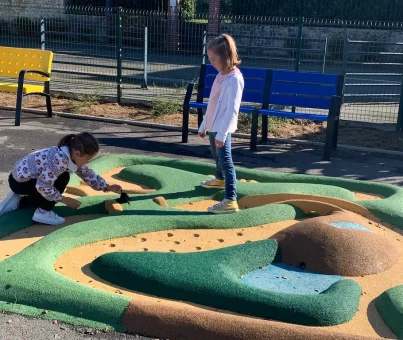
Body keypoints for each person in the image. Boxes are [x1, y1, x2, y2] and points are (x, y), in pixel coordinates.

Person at [0, 132, 122, 225]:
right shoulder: (59, 161)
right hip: (20, 183)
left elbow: (87, 174)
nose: (87, 162)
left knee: (57, 182)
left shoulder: (68, 155)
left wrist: (106, 186)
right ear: (77, 153)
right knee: (62, 179)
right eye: (87, 159)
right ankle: (43, 213)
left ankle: (18, 202)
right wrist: (64, 199)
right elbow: (43, 186)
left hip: (23, 179)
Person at [198, 34, 244, 214]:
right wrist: (204, 125)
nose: (211, 63)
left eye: (214, 59)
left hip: (222, 128)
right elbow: (213, 103)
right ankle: (219, 178)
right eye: (209, 59)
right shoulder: (221, 75)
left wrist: (223, 134)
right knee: (216, 157)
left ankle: (231, 200)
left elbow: (232, 110)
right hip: (214, 126)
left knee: (226, 161)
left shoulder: (234, 79)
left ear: (225, 57)